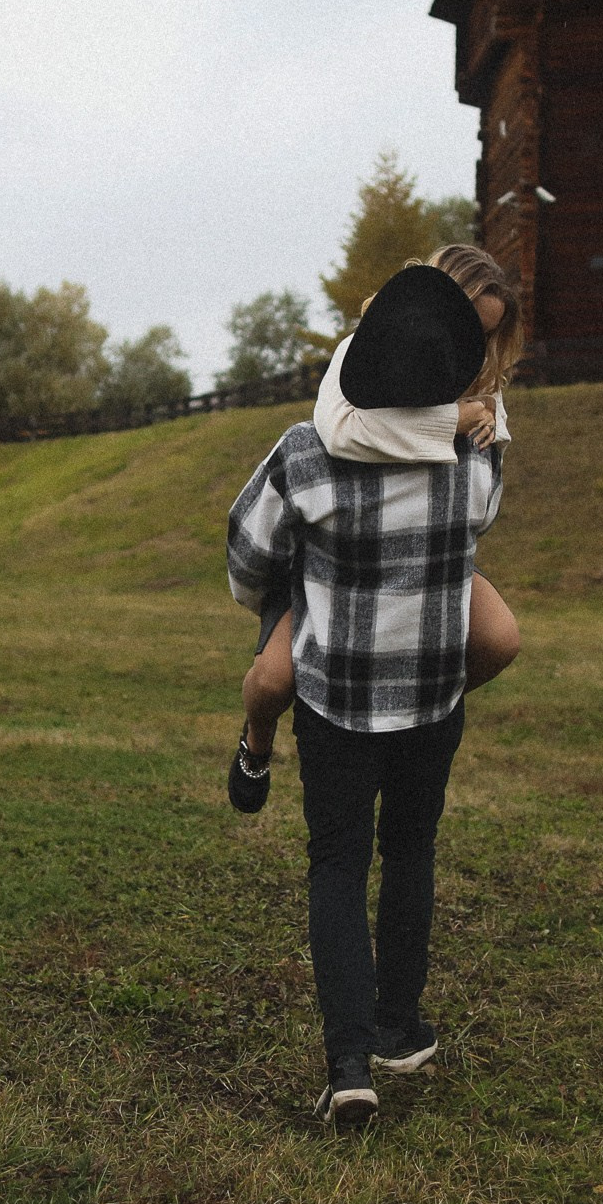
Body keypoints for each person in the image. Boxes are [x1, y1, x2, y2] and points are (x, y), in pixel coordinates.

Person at [224, 261, 508, 1129]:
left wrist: (295, 597)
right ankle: (400, 1026)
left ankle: (349, 1065)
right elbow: (481, 527)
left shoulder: (303, 451)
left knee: (337, 866)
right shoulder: (479, 459)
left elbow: (246, 554)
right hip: (431, 692)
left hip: (337, 696)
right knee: (412, 848)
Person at [228, 243, 524, 816]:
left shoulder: (479, 379)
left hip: (420, 554)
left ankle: (419, 704)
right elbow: (338, 432)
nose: (475, 349)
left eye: (489, 337)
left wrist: (487, 434)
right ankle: (256, 741)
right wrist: (452, 421)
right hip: (338, 558)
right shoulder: (356, 356)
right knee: (271, 683)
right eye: (469, 327)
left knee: (499, 639)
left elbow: (484, 498)